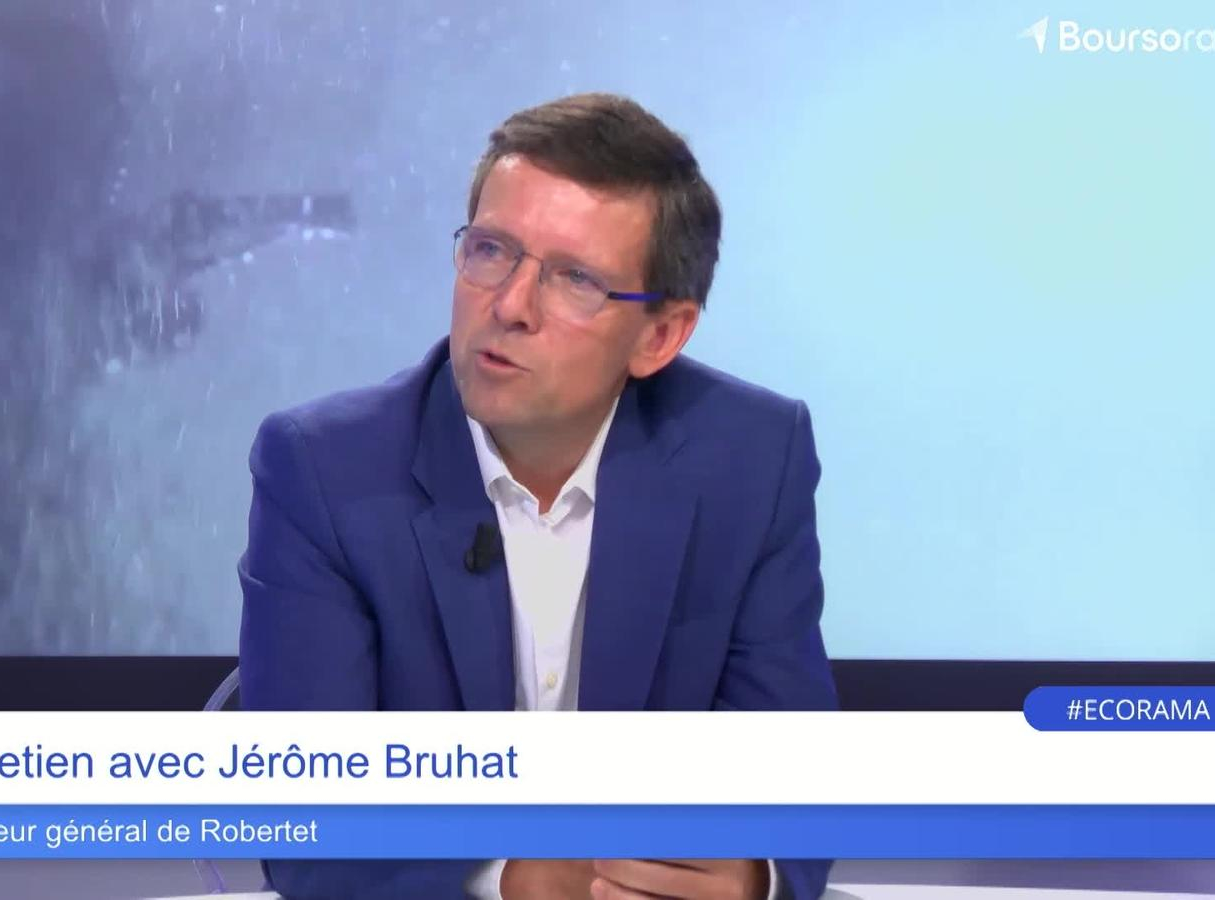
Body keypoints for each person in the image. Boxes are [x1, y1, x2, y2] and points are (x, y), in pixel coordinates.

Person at [238, 92, 837, 899]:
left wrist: (747, 875)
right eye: (491, 251)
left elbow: (796, 782)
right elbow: (301, 825)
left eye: (575, 279)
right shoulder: (324, 470)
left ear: (660, 335)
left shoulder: (750, 458)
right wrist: (513, 878)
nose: (510, 306)